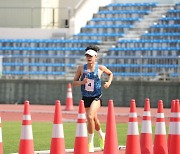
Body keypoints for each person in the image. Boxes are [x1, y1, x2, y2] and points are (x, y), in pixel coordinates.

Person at [73, 45, 113, 152]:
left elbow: (110, 74)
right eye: (87, 56)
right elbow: (74, 82)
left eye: (91, 56)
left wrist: (108, 82)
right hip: (86, 97)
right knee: (93, 119)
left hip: (97, 97)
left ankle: (90, 143)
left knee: (90, 117)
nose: (88, 58)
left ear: (95, 57)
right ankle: (102, 135)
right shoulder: (81, 68)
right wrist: (82, 82)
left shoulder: (100, 68)